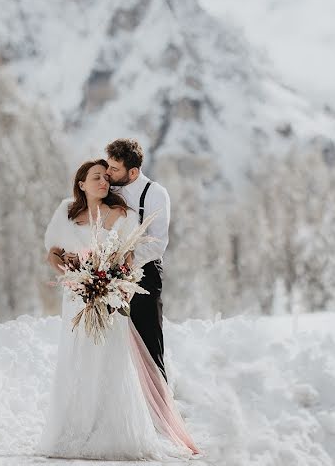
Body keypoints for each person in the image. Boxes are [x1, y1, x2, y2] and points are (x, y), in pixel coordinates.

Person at [37, 159, 198, 460]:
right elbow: (52, 254)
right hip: (76, 299)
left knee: (109, 361)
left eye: (105, 178)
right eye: (95, 177)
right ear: (81, 184)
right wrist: (73, 277)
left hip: (110, 299)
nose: (103, 182)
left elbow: (128, 258)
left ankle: (112, 431)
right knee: (77, 360)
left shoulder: (121, 213)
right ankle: (73, 428)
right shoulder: (65, 212)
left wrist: (108, 280)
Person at [105, 138, 171, 381]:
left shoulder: (155, 193)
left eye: (114, 168)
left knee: (149, 343)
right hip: (106, 275)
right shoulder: (107, 188)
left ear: (132, 172)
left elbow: (159, 242)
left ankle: (159, 407)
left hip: (144, 274)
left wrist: (129, 259)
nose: (108, 172)